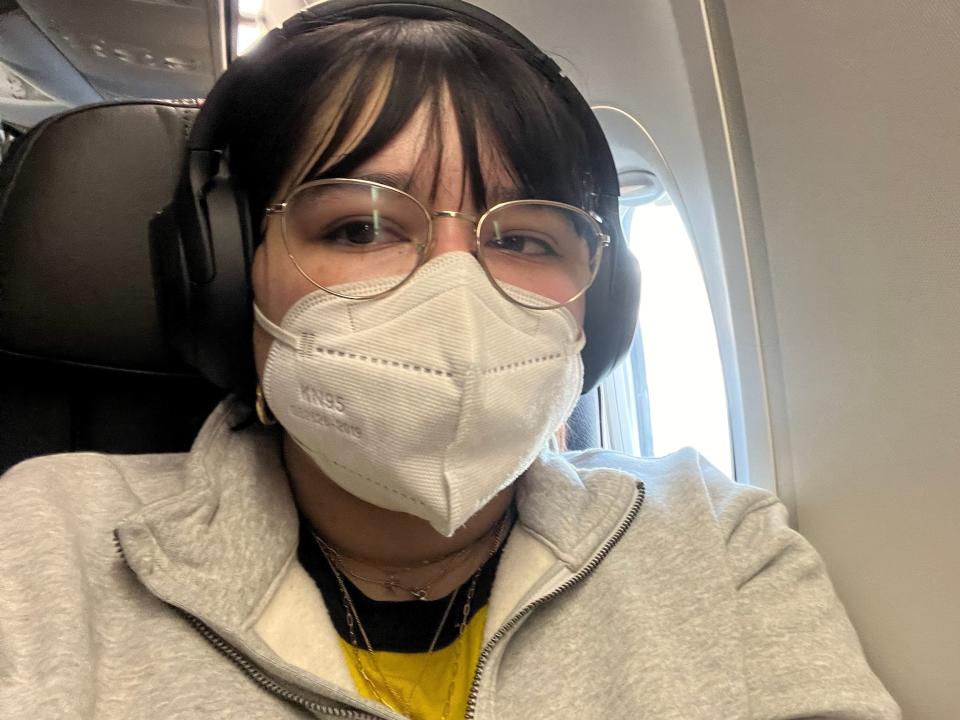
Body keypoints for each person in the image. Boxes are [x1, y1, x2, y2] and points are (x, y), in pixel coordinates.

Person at [0, 2, 901, 719]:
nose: (456, 295)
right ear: (227, 278)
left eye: (528, 240)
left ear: (604, 303)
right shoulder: (45, 542)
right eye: (359, 226)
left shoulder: (713, 536)